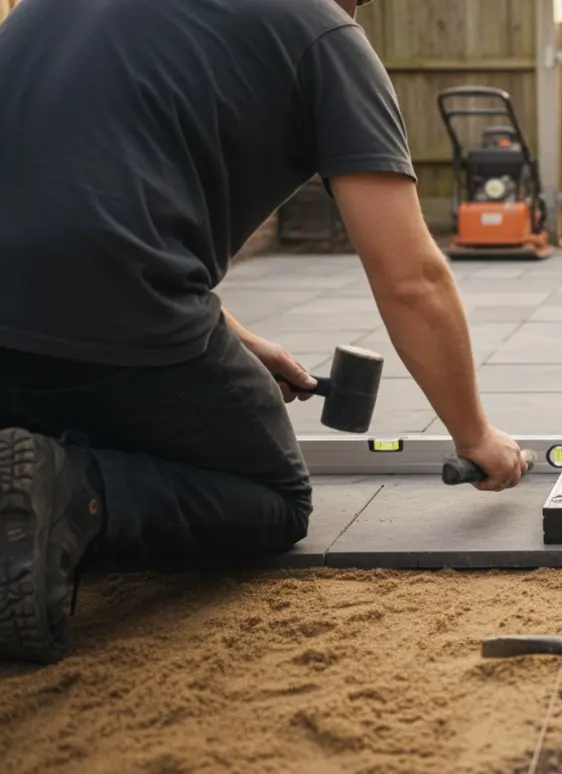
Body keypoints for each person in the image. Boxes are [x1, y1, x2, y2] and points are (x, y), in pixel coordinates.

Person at [0, 0, 527, 664]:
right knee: (273, 498)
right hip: (109, 306)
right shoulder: (322, 34)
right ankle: (76, 494)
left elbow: (71, 193)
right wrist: (475, 435)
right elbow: (411, 280)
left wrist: (237, 338)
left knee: (55, 390)